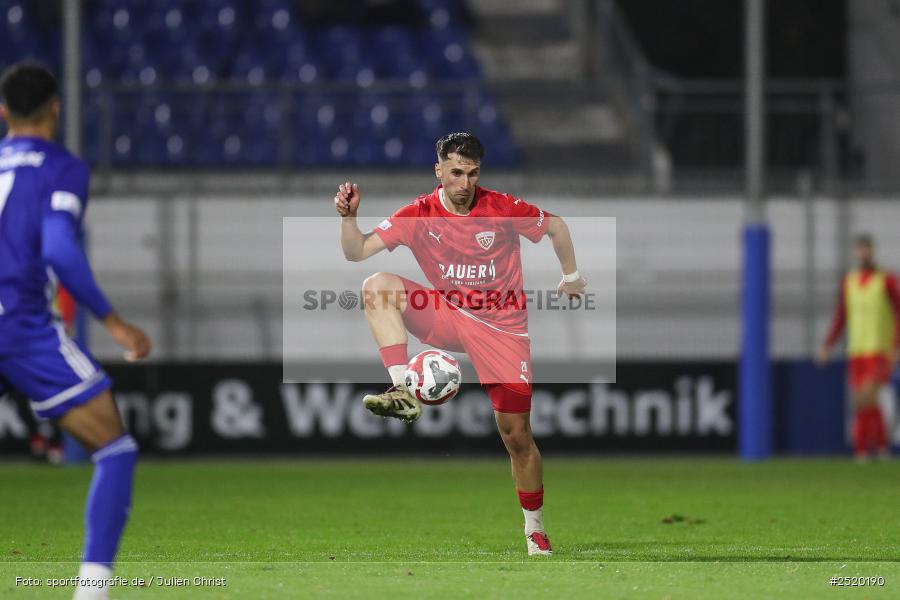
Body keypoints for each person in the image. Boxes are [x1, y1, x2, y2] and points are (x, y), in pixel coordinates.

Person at [334, 132, 586, 556]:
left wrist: (571, 276)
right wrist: (348, 218)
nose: (465, 183)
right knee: (377, 285)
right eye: (456, 173)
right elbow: (357, 251)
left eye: (472, 173)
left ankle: (535, 529)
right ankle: (402, 388)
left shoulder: (501, 208)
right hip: (449, 317)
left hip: (503, 329)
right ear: (439, 171)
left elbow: (556, 227)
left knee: (517, 435)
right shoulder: (418, 214)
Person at [0, 62, 151, 599]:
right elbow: (61, 247)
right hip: (18, 324)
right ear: (56, 110)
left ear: (3, 111)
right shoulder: (61, 167)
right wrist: (114, 322)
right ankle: (91, 592)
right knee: (114, 449)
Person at [818, 234, 900, 460]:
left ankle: (863, 448)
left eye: (866, 248)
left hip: (879, 348)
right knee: (862, 401)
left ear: (872, 251)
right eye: (859, 249)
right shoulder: (850, 281)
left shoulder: (886, 279)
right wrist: (827, 345)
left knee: (867, 396)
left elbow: (898, 311)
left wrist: (896, 345)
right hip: (857, 349)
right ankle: (878, 448)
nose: (862, 253)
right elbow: (841, 316)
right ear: (856, 252)